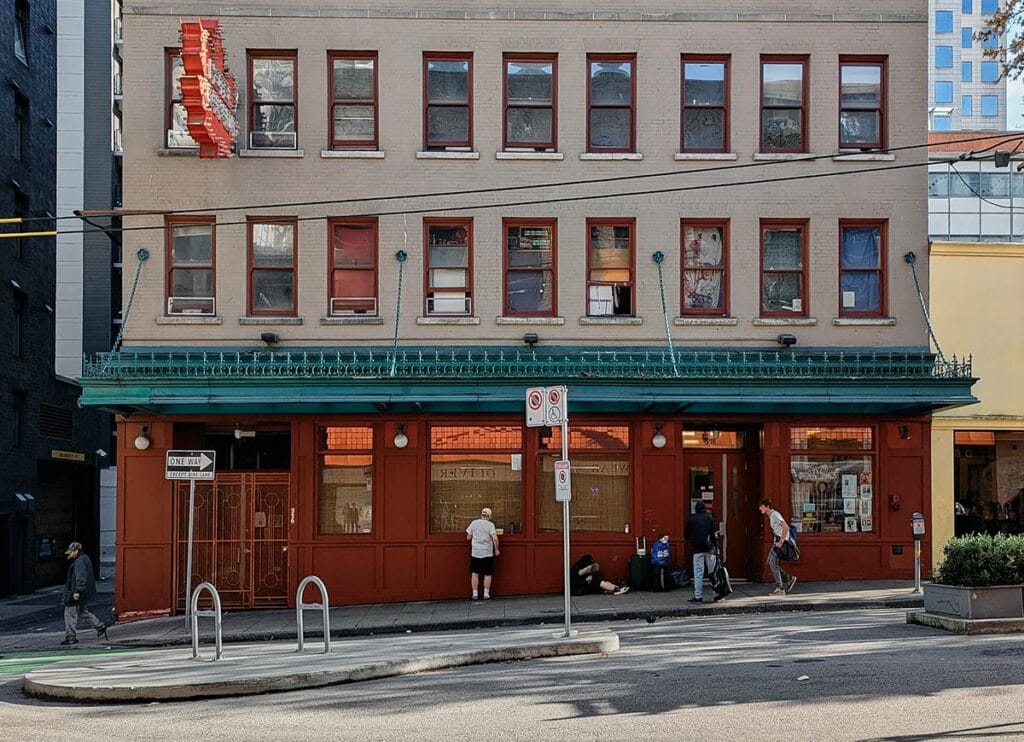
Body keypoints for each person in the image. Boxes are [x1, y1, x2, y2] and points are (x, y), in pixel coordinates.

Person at [61, 542, 108, 646]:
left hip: (76, 592)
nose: (69, 554)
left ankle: (70, 637)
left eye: (71, 552)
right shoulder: (84, 558)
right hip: (83, 592)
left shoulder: (79, 561)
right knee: (83, 611)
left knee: (70, 614)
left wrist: (77, 591)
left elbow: (81, 577)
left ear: (76, 551)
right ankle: (99, 626)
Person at [759, 498, 798, 596]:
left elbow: (786, 527)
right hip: (777, 541)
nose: (760, 508)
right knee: (771, 562)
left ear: (767, 506)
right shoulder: (772, 515)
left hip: (781, 542)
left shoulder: (775, 515)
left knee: (772, 563)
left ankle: (780, 588)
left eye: (761, 506)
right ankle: (788, 578)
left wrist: (780, 542)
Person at [684, 501, 721, 603]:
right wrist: (716, 548)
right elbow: (714, 536)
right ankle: (716, 594)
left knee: (698, 573)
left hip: (697, 550)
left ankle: (698, 595)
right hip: (710, 550)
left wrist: (692, 541)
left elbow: (686, 535)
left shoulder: (691, 520)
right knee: (713, 572)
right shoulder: (710, 519)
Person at [466, 507, 500, 600]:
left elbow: (468, 537)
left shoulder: (474, 523)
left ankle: (475, 593)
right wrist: (496, 549)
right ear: (490, 516)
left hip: (476, 552)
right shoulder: (490, 525)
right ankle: (486, 593)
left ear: (481, 514)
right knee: (487, 573)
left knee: (475, 573)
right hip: (487, 552)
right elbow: (495, 538)